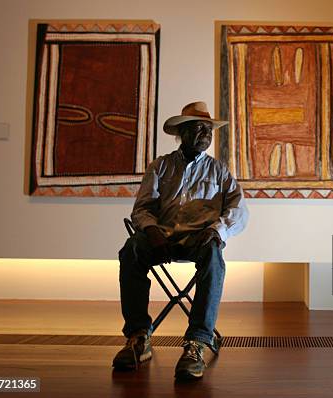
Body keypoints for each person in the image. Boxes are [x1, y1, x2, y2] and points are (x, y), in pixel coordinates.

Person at [112, 101, 249, 380]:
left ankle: (197, 342)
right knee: (131, 251)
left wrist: (217, 230)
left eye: (208, 129)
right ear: (182, 133)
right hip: (161, 236)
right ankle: (139, 337)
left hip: (199, 239)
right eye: (198, 128)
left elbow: (238, 210)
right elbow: (142, 208)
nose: (205, 133)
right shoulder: (160, 166)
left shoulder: (219, 170)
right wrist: (151, 231)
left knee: (214, 255)